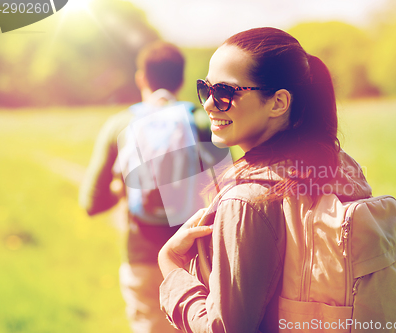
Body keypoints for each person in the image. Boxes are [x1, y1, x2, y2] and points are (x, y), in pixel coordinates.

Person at [157, 27, 373, 332]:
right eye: (205, 89)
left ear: (278, 103)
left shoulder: (246, 202)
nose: (208, 105)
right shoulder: (341, 170)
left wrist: (170, 265)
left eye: (224, 93)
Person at [79, 40, 197, 333]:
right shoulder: (204, 122)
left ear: (141, 78)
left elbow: (91, 203)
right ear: (181, 80)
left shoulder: (120, 125)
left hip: (142, 257)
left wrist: (122, 190)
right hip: (196, 261)